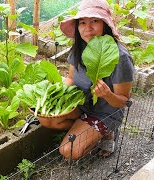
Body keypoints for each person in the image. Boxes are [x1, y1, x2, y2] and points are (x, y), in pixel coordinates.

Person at [56, 0, 135, 160]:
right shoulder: (80, 47)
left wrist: (107, 94)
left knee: (69, 151)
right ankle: (83, 128)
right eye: (82, 22)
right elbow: (70, 78)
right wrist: (56, 93)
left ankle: (106, 133)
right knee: (48, 120)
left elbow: (124, 102)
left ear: (105, 24)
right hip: (82, 105)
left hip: (105, 112)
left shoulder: (121, 57)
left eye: (94, 21)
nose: (88, 28)